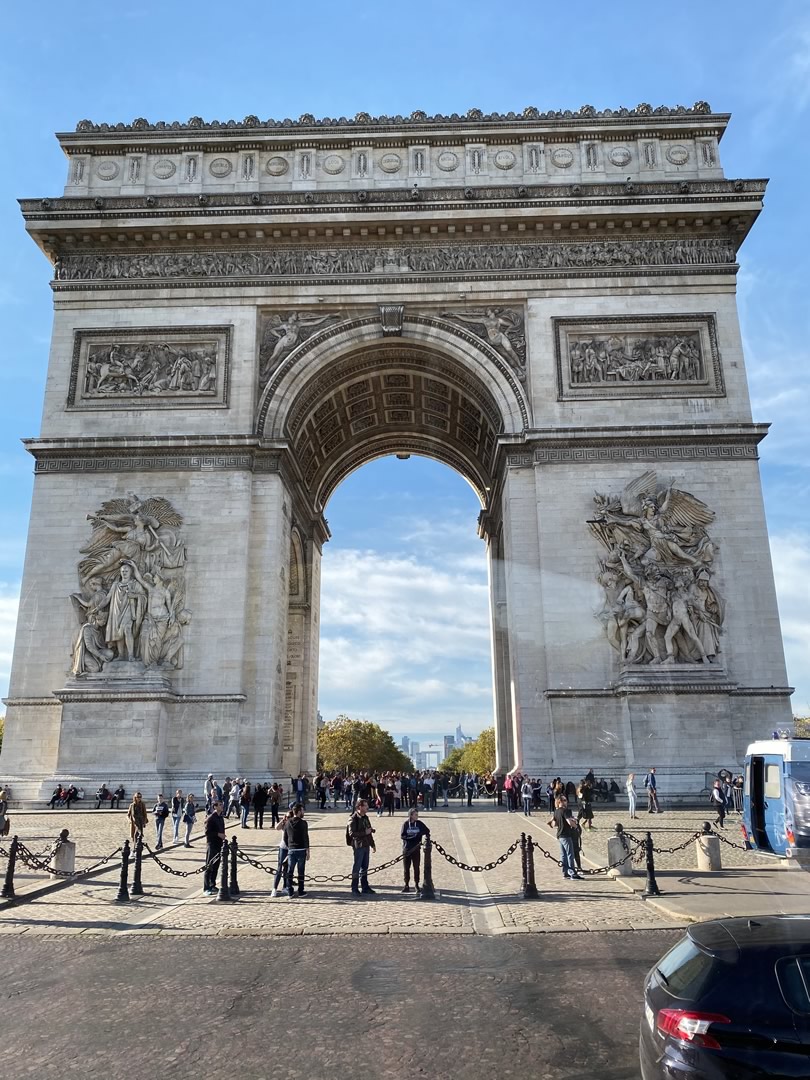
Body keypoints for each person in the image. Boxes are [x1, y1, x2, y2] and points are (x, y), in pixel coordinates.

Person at [548, 794, 583, 881]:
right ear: (560, 802)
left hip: (559, 835)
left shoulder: (556, 812)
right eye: (564, 800)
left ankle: (565, 872)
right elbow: (569, 822)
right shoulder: (566, 811)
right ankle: (572, 873)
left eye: (566, 800)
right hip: (566, 835)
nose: (566, 802)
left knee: (563, 855)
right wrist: (575, 825)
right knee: (570, 854)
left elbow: (554, 824)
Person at [348, 798, 377, 896]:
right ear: (360, 807)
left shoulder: (365, 818)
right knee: (357, 866)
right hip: (358, 845)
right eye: (365, 806)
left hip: (366, 844)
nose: (367, 807)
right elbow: (352, 833)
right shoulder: (353, 818)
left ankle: (365, 887)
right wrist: (365, 832)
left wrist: (372, 844)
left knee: (365, 867)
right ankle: (354, 888)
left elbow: (369, 832)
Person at [400, 807, 430, 893]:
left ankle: (416, 884)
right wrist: (412, 837)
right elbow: (402, 835)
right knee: (406, 868)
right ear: (411, 815)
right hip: (407, 849)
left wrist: (421, 836)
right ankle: (406, 884)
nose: (417, 816)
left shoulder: (419, 824)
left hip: (416, 849)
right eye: (415, 815)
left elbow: (427, 830)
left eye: (417, 814)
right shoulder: (406, 824)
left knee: (416, 867)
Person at [283, 803, 310, 897]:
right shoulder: (303, 823)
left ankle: (289, 889)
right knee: (301, 871)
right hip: (301, 849)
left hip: (291, 849)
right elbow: (305, 837)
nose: (303, 812)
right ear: (298, 812)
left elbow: (285, 837)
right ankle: (301, 890)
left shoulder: (287, 822)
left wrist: (289, 846)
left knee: (290, 871)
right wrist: (308, 850)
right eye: (302, 810)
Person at [203, 800, 226, 895]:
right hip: (212, 844)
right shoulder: (211, 818)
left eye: (222, 804)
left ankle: (212, 884)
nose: (222, 806)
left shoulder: (220, 817)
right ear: (215, 807)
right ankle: (206, 887)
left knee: (216, 866)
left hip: (219, 844)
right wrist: (218, 834)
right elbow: (207, 832)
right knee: (209, 866)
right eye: (220, 805)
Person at [270, 809, 291, 898]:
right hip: (283, 848)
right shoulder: (284, 824)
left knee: (288, 868)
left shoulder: (293, 825)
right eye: (286, 816)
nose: (287, 818)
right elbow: (277, 828)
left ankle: (285, 886)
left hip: (291, 849)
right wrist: (282, 820)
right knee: (279, 868)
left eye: (289, 817)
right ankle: (274, 889)